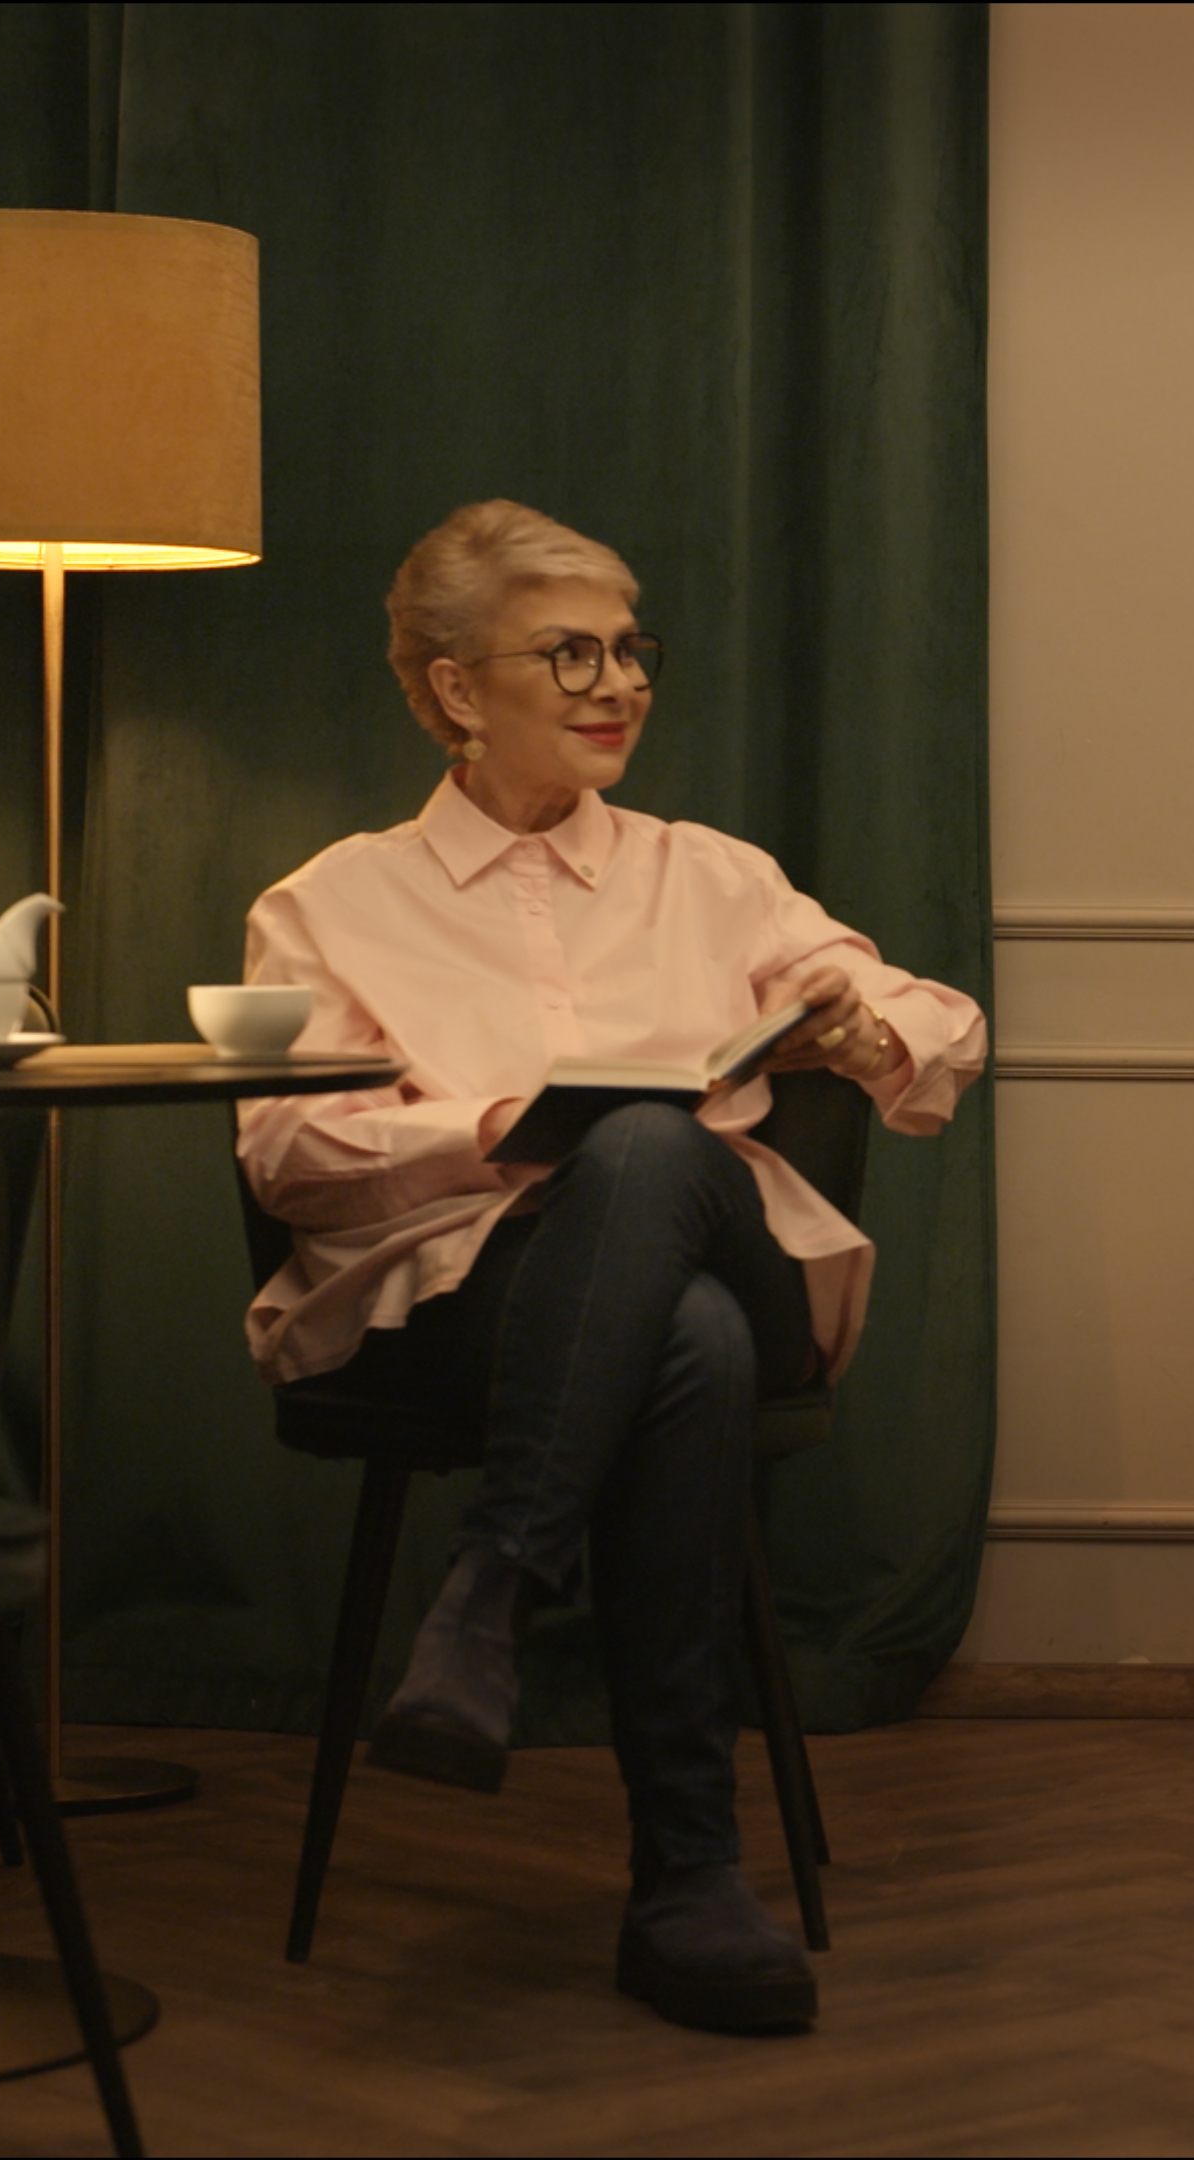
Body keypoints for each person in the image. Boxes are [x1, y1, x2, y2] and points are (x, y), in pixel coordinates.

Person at [239, 499, 986, 2034]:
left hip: (738, 1261)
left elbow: (945, 1026)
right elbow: (289, 1156)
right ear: (456, 688)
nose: (620, 684)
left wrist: (866, 1026)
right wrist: (499, 1131)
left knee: (650, 1150)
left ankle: (495, 1582)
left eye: (632, 651)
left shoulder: (714, 877)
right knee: (684, 1340)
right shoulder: (327, 904)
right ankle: (689, 1874)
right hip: (459, 1306)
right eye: (570, 653)